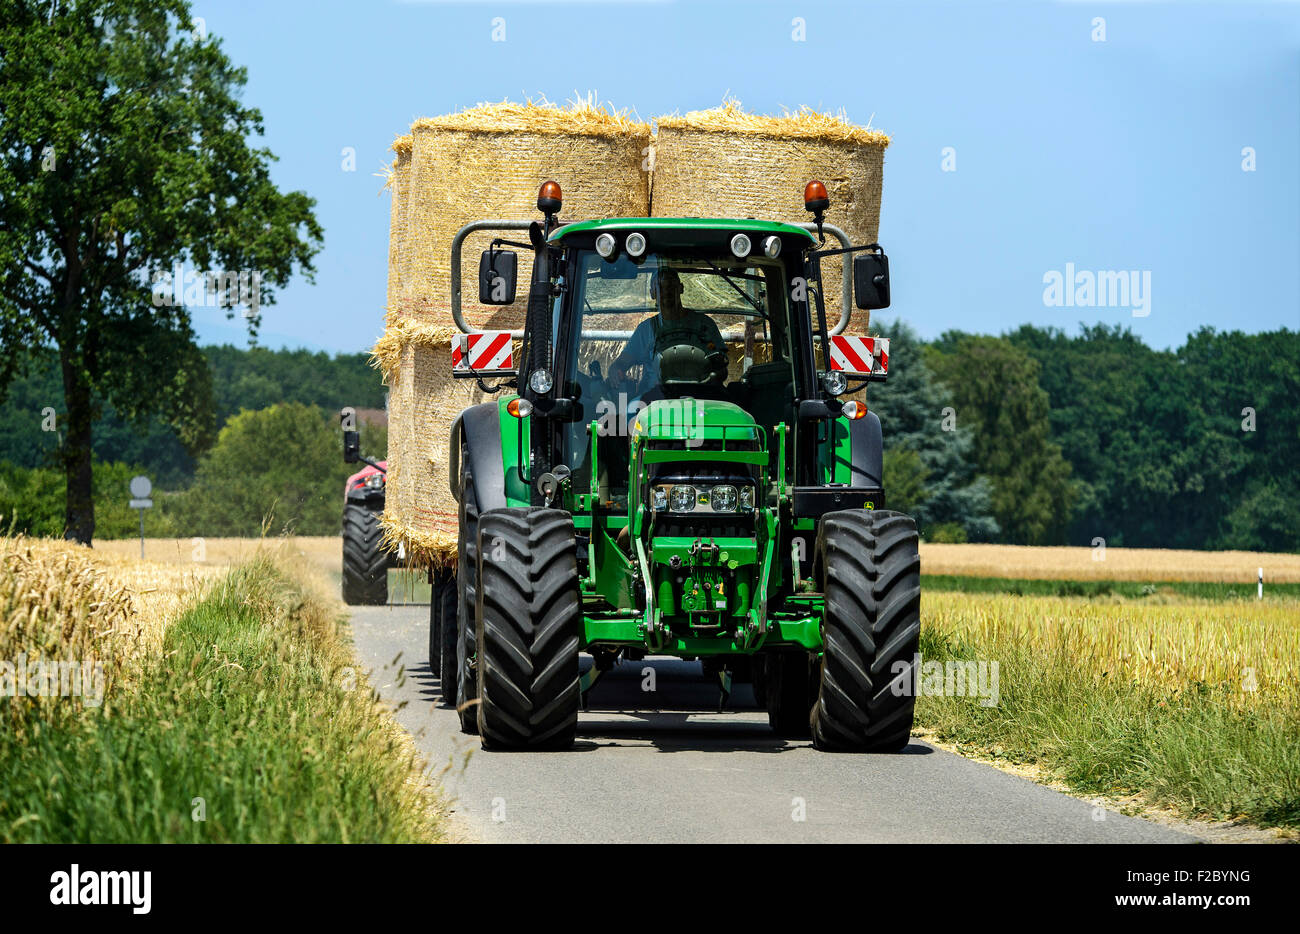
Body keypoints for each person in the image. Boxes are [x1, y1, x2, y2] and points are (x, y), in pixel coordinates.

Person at [609, 267, 726, 389]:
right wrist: (615, 369)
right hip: (655, 399)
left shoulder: (704, 325)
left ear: (681, 288)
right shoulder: (646, 330)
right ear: (652, 293)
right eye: (659, 287)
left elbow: (720, 363)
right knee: (631, 407)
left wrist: (715, 367)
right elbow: (623, 362)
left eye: (671, 286)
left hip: (701, 398)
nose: (666, 291)